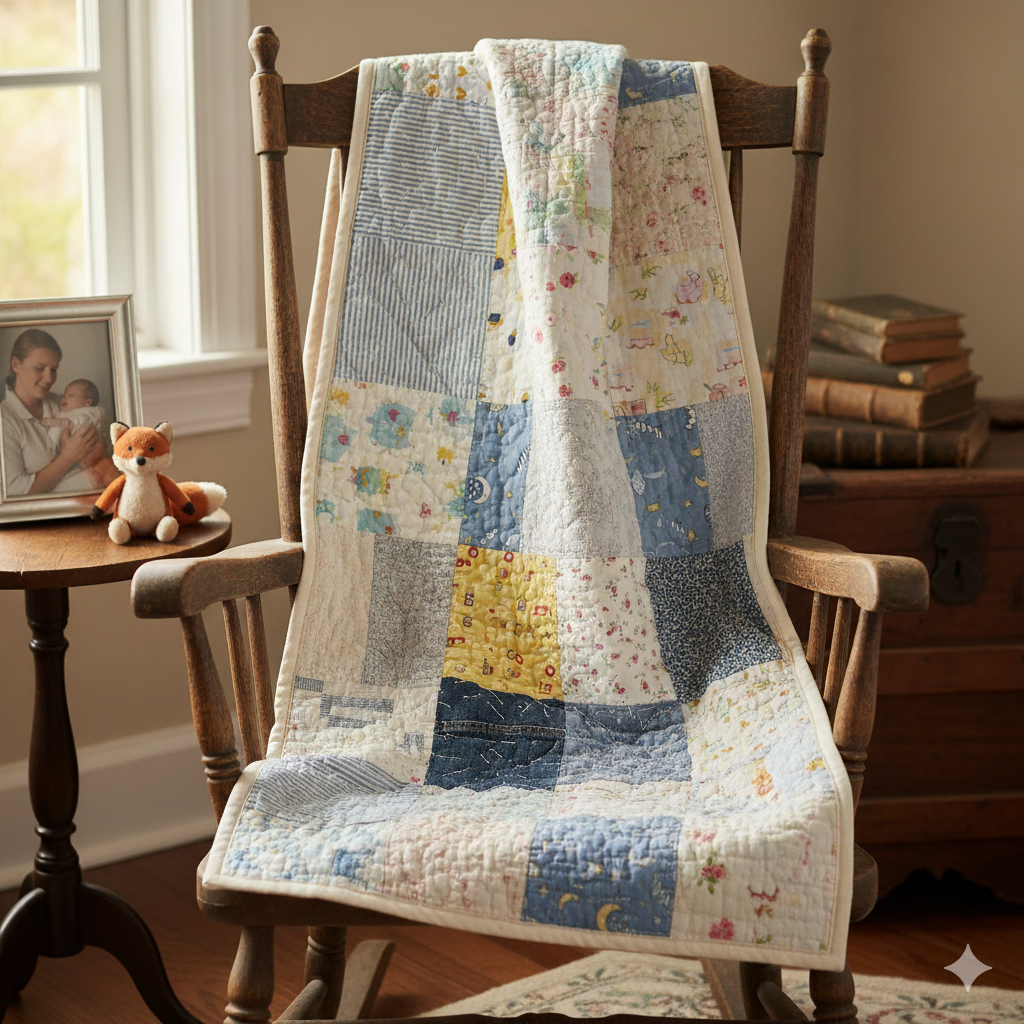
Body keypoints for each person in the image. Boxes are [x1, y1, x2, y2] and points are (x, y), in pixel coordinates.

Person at [1, 329, 100, 496]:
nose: (49, 379)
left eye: (53, 369)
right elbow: (14, 494)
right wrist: (67, 458)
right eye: (40, 368)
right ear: (16, 364)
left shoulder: (63, 403)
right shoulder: (5, 419)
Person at [40, 378, 119, 488]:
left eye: (71, 395)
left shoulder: (85, 414)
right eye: (64, 395)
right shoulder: (72, 413)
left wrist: (51, 421)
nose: (64, 398)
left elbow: (70, 423)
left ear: (87, 402)